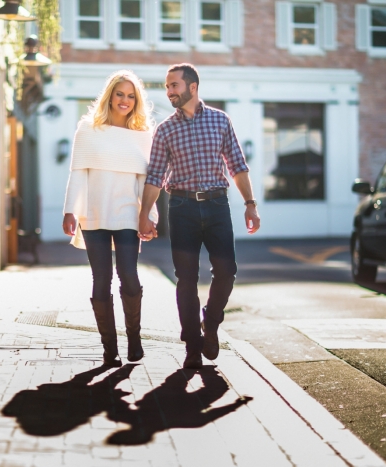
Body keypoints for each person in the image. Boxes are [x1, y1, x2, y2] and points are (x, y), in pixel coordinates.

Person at [138, 63, 261, 369]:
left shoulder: (220, 121)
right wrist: (144, 214)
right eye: (167, 87)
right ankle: (193, 346)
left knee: (227, 270)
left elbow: (237, 165)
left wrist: (250, 203)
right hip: (181, 209)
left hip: (218, 206)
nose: (169, 92)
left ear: (192, 87)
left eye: (174, 86)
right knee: (186, 278)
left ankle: (212, 321)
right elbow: (154, 176)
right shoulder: (165, 129)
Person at [63, 70, 158, 367]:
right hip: (94, 215)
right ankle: (109, 348)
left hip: (128, 214)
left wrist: (149, 216)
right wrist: (70, 210)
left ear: (136, 101)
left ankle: (134, 339)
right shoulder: (88, 130)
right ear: (109, 96)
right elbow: (78, 172)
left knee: (129, 276)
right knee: (100, 280)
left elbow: (148, 182)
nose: (125, 100)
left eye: (131, 96)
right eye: (120, 94)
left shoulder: (144, 137)